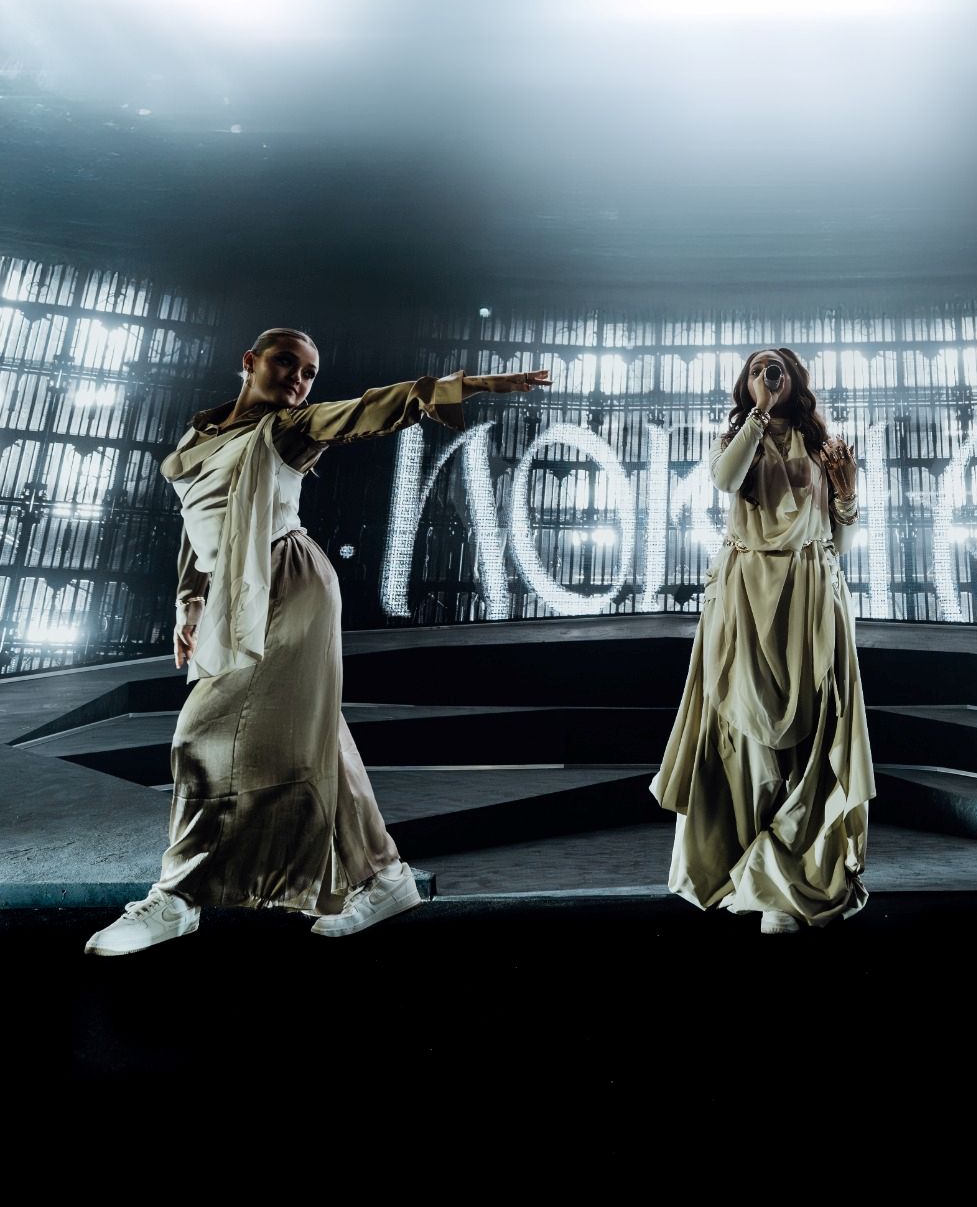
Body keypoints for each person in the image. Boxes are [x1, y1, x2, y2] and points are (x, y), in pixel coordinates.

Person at [85, 328, 548, 955]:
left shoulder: (289, 430)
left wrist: (464, 387)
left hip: (286, 583)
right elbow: (199, 529)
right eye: (286, 364)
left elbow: (362, 412)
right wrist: (188, 604)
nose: (298, 381)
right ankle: (383, 878)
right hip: (234, 591)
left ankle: (179, 897)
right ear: (249, 362)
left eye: (308, 373)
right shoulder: (201, 436)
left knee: (202, 733)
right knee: (316, 734)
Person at [651, 347, 874, 933]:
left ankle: (789, 875)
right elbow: (725, 479)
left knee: (810, 735)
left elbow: (840, 543)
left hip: (809, 593)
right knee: (746, 730)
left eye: (777, 370)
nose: (768, 377)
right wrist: (758, 415)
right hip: (746, 596)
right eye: (757, 370)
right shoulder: (738, 440)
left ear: (796, 379)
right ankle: (745, 864)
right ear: (746, 385)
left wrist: (847, 492)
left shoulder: (824, 446)